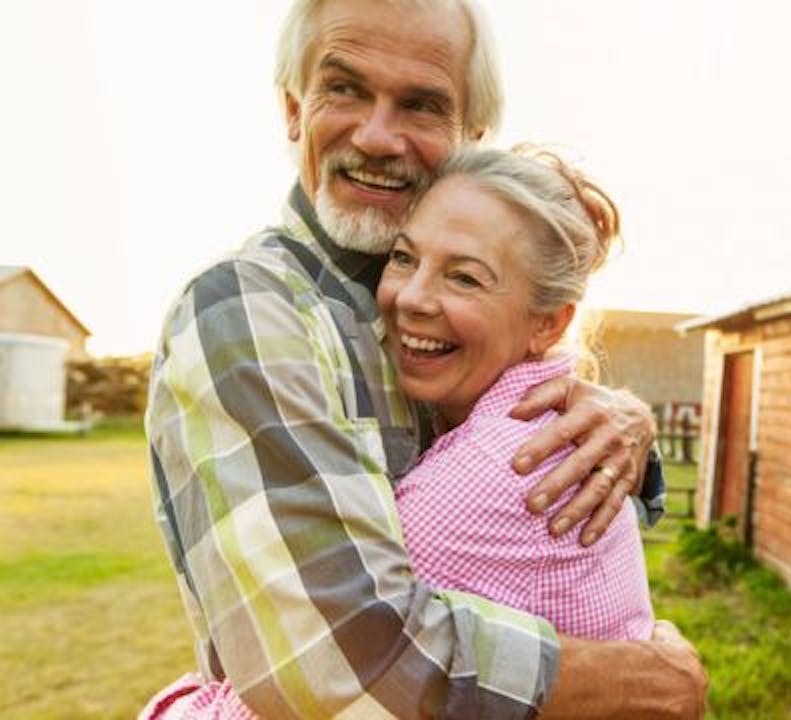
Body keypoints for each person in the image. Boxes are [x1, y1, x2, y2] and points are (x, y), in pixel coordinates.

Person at [142, 0, 708, 718]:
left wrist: (620, 420)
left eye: (421, 104)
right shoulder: (249, 310)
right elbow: (338, 664)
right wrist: (630, 680)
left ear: (470, 139)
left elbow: (514, 465)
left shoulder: (434, 322)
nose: (378, 137)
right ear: (293, 108)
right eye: (344, 88)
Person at [387, 146, 654, 642]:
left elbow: (342, 675)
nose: (411, 297)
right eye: (404, 257)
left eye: (464, 277)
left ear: (548, 323)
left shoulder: (483, 479)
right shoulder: (545, 426)